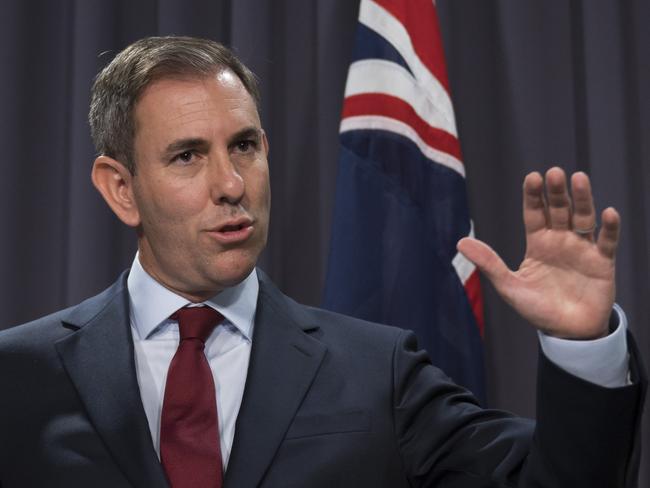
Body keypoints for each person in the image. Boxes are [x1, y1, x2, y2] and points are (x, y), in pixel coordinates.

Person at [0, 36, 644, 488]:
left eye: (245, 146)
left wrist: (579, 344)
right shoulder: (18, 376)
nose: (232, 184)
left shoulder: (379, 372)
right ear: (120, 188)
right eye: (188, 156)